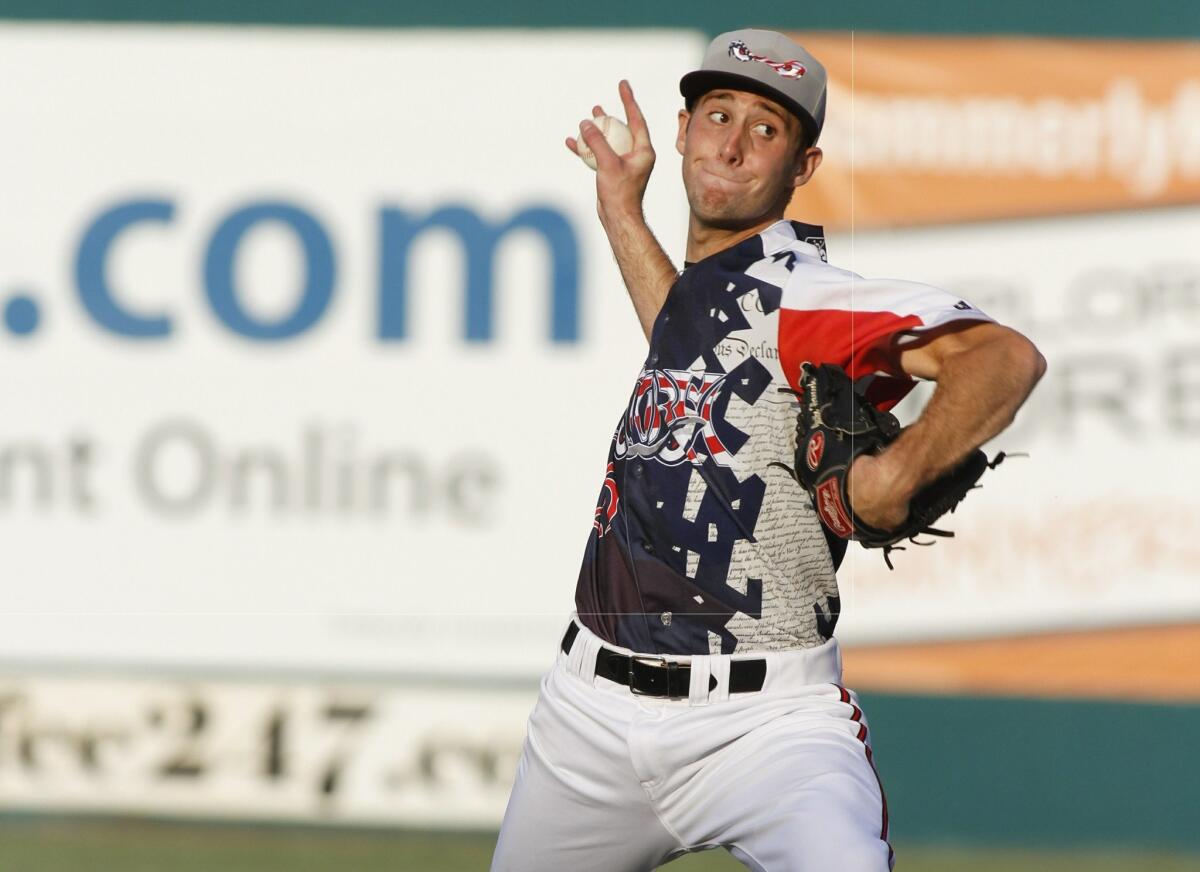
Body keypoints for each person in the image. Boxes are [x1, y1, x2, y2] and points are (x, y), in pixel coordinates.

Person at [491, 29, 1045, 872]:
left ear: (802, 168)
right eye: (718, 114)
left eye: (767, 128)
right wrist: (618, 210)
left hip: (765, 729)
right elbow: (688, 344)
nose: (733, 142)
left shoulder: (807, 296)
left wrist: (895, 474)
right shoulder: (715, 300)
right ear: (681, 132)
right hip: (587, 719)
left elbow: (1004, 357)